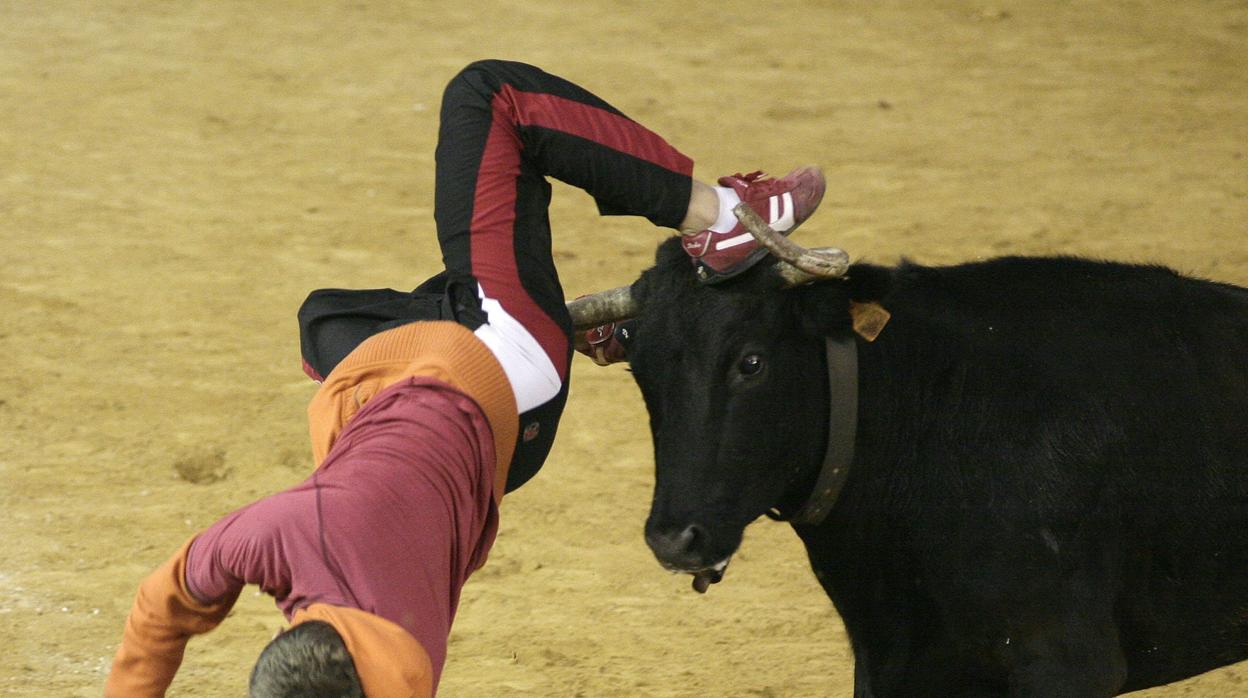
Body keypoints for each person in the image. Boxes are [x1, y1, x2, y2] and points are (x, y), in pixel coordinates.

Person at [105, 59, 826, 697]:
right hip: (498, 362)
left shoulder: (409, 666)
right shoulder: (279, 534)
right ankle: (721, 218)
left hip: (501, 450)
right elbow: (157, 607)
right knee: (490, 97)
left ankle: (578, 328)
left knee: (323, 321)